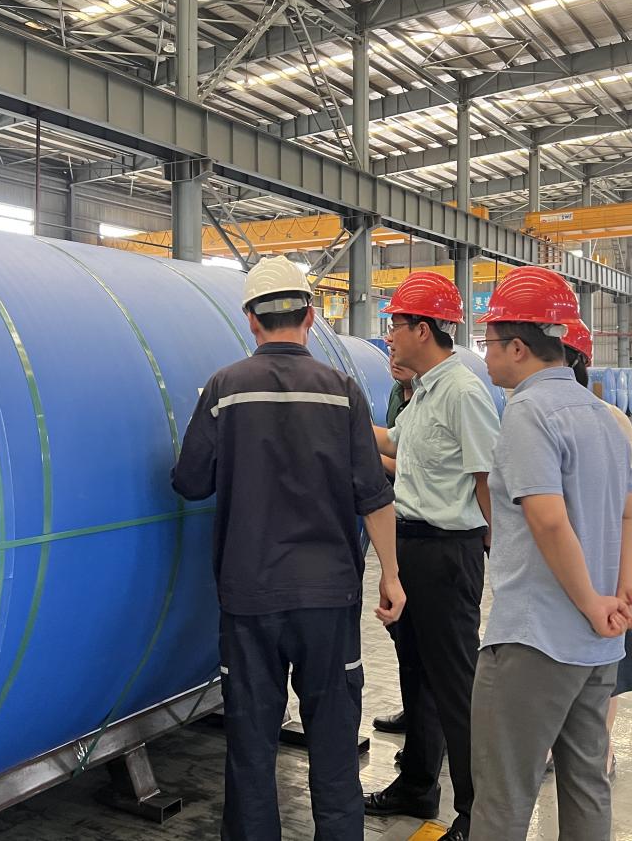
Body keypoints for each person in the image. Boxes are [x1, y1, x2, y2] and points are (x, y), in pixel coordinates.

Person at [171, 256, 406, 841]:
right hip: (328, 597)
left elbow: (190, 482)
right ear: (310, 317)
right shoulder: (342, 391)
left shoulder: (224, 389)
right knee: (334, 743)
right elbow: (373, 494)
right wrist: (391, 575)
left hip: (249, 594)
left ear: (251, 319)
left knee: (251, 745)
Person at [469, 267, 632, 841]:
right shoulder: (601, 415)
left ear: (517, 347)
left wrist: (593, 601)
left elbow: (546, 518)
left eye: (489, 343)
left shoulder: (528, 411)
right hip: (598, 645)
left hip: (537, 638)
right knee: (587, 783)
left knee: (503, 795)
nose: (486, 355)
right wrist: (621, 595)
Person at [364, 271, 501, 841]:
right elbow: (396, 444)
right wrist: (344, 416)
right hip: (413, 547)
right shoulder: (423, 392)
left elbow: (487, 475)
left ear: (423, 329)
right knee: (416, 674)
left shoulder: (463, 391)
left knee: (454, 685)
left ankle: (475, 814)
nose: (389, 336)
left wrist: (495, 547)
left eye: (395, 325)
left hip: (448, 553)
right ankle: (418, 784)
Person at [562, 320, 632, 782]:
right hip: (559, 566)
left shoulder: (607, 417)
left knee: (608, 661)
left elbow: (630, 502)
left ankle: (602, 745)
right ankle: (564, 745)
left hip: (602, 561)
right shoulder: (528, 413)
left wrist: (625, 582)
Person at [373, 355, 416, 736]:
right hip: (398, 518)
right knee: (400, 628)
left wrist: (370, 458)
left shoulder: (437, 397)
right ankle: (415, 709)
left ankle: (441, 724)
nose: (393, 358)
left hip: (428, 530)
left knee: (433, 640)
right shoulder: (393, 394)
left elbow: (414, 467)